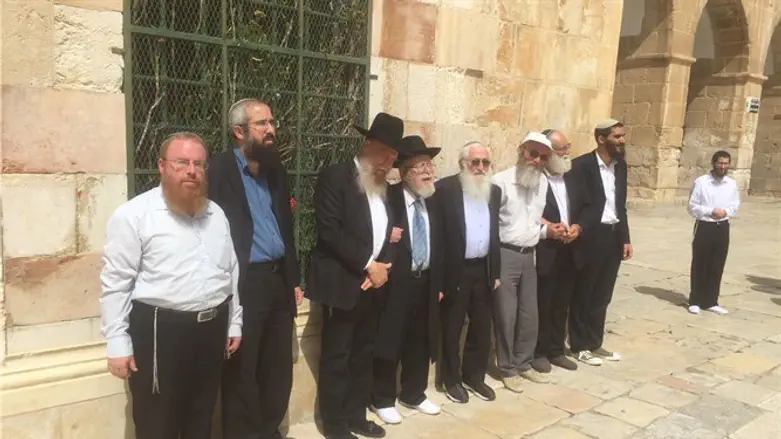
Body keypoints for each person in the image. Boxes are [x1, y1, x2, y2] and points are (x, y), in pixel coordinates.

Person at [100, 132, 243, 439]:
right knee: (157, 423)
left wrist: (235, 322)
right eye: (182, 163)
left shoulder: (216, 214)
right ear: (162, 166)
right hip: (159, 333)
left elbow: (231, 271)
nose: (192, 170)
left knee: (201, 416)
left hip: (211, 330)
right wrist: (117, 343)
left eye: (199, 163)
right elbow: (116, 283)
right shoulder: (134, 216)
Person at [207, 99, 303, 439]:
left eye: (272, 122)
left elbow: (286, 228)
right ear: (239, 132)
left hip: (278, 282)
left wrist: (294, 278)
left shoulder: (276, 169)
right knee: (242, 370)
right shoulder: (217, 171)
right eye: (262, 124)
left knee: (278, 369)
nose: (272, 130)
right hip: (244, 282)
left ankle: (268, 431)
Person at [305, 112, 404, 439]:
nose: (389, 161)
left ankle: (356, 416)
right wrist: (368, 264)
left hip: (374, 284)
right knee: (338, 355)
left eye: (393, 156)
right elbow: (330, 231)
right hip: (343, 282)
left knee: (364, 354)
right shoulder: (335, 177)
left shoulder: (383, 187)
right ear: (369, 144)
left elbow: (390, 233)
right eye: (385, 153)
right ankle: (334, 425)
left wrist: (384, 267)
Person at [371, 135, 443, 425]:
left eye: (429, 165)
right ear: (403, 172)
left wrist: (439, 284)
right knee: (390, 341)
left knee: (420, 341)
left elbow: (444, 245)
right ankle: (382, 398)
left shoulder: (433, 200)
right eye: (419, 166)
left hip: (425, 280)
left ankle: (414, 392)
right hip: (396, 282)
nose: (427, 171)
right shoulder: (389, 197)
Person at [436, 141, 501, 404]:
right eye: (475, 162)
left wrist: (495, 271)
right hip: (456, 270)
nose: (480, 167)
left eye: (485, 162)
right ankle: (451, 380)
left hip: (483, 269)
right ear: (463, 163)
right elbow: (438, 237)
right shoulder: (444, 189)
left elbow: (494, 234)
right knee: (452, 328)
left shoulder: (494, 192)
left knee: (482, 328)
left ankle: (474, 377)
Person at [490, 132, 552, 392]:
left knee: (529, 314)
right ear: (521, 150)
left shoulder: (543, 183)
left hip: (530, 255)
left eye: (543, 157)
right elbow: (492, 226)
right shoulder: (500, 182)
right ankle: (507, 367)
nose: (537, 161)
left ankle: (524, 362)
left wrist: (551, 231)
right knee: (506, 314)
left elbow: (533, 223)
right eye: (532, 153)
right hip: (505, 254)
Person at [569, 119, 632, 366]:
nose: (622, 140)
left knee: (603, 294)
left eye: (623, 135)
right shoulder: (581, 166)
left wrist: (625, 238)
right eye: (617, 136)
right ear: (601, 139)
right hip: (590, 237)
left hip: (613, 235)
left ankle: (595, 342)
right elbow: (577, 204)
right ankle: (578, 345)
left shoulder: (621, 166)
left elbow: (621, 205)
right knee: (584, 292)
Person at [533, 129, 590, 373]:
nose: (567, 153)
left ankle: (556, 350)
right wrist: (549, 226)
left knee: (561, 302)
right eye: (562, 149)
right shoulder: (533, 178)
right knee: (542, 302)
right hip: (546, 247)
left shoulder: (572, 176)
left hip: (570, 247)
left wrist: (578, 226)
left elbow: (587, 206)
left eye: (568, 147)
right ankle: (538, 352)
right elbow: (526, 211)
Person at [687, 150, 740, 315]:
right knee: (700, 263)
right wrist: (711, 211)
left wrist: (726, 212)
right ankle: (695, 300)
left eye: (726, 163)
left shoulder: (731, 184)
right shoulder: (701, 182)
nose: (723, 166)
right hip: (705, 225)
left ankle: (711, 300)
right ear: (713, 163)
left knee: (717, 264)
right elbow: (692, 206)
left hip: (722, 226)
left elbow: (735, 204)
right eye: (720, 163)